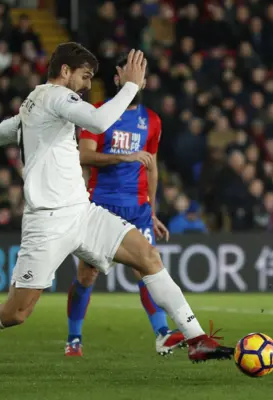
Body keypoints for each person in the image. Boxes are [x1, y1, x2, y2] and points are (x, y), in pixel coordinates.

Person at [0, 43, 232, 383]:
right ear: (64, 71)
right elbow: (98, 121)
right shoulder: (54, 96)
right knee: (16, 312)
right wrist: (131, 84)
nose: (86, 86)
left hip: (82, 213)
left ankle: (196, 338)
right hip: (48, 223)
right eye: (83, 77)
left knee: (148, 255)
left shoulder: (33, 108)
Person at [65, 53, 184, 357]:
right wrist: (125, 157)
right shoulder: (98, 114)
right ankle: (74, 338)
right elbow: (85, 155)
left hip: (138, 210)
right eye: (129, 73)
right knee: (86, 277)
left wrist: (153, 211)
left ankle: (162, 332)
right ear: (118, 79)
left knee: (148, 268)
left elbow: (152, 168)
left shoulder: (152, 121)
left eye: (141, 74)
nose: (137, 79)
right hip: (102, 207)